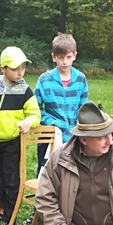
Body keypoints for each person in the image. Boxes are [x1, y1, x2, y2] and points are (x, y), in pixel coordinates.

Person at [0, 47, 41, 225]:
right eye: (16, 68)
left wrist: (28, 121)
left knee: (10, 180)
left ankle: (11, 217)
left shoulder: (24, 90)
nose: (20, 72)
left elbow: (35, 114)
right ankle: (1, 213)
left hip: (12, 143)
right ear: (3, 68)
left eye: (23, 68)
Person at [34, 33, 89, 172]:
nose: (65, 62)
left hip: (74, 137)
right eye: (61, 57)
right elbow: (35, 109)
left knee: (73, 173)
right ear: (54, 57)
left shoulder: (81, 79)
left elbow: (84, 109)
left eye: (68, 57)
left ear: (74, 56)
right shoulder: (44, 80)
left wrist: (79, 127)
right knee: (47, 173)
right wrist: (54, 123)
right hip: (49, 137)